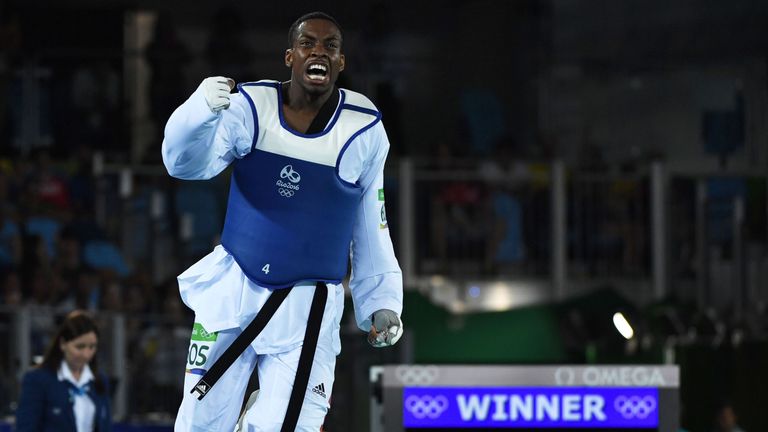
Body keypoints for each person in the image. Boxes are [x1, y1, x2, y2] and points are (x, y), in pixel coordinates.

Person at [162, 11, 404, 432]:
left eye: (330, 46)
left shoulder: (363, 128)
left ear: (341, 62)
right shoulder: (250, 107)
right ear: (290, 56)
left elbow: (372, 224)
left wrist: (381, 302)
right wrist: (197, 111)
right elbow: (184, 164)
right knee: (198, 424)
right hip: (234, 290)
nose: (319, 52)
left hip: (308, 305)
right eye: (308, 43)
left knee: (292, 427)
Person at [16, 310, 112, 432]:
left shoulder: (99, 381)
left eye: (92, 347)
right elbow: (25, 428)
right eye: (80, 347)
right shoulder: (38, 380)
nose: (86, 354)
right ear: (62, 344)